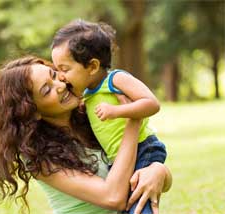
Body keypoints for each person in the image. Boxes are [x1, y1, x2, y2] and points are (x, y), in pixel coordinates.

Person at [0, 55, 172, 214]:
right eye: (47, 90)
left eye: (54, 74)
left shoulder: (94, 116)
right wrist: (133, 118)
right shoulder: (39, 157)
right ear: (32, 111)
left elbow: (143, 164)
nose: (60, 85)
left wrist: (158, 171)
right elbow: (113, 197)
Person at [51, 19, 167, 213]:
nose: (61, 77)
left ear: (93, 66)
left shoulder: (116, 80)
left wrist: (118, 111)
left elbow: (152, 104)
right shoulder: (87, 94)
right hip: (118, 158)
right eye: (57, 70)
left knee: (138, 204)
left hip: (142, 148)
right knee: (128, 205)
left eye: (65, 69)